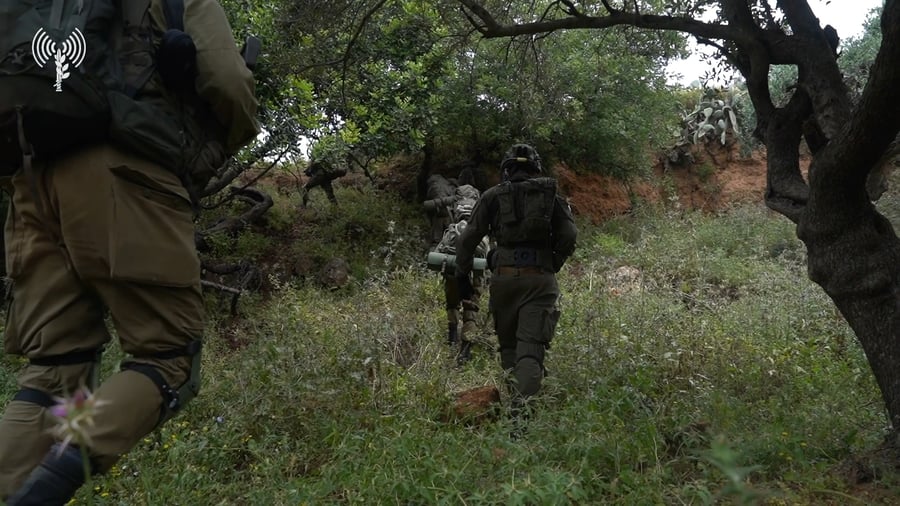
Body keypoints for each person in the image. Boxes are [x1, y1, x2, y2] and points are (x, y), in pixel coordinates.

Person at [0, 0, 258, 503]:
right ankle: (43, 490)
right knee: (169, 359)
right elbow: (229, 82)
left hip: (31, 185)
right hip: (120, 173)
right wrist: (210, 145)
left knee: (55, 373)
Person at [454, 144, 577, 429]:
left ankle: (515, 405)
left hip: (504, 281)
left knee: (509, 348)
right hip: (539, 281)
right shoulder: (551, 196)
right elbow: (570, 234)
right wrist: (553, 262)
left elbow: (468, 238)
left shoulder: (491, 196)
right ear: (536, 169)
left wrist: (462, 276)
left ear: (507, 170)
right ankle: (521, 418)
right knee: (530, 350)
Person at [429, 168, 489, 365]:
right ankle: (465, 350)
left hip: (453, 262)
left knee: (452, 302)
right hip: (475, 263)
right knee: (471, 306)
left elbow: (439, 250)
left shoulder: (455, 200)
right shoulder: (480, 199)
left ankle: (452, 338)